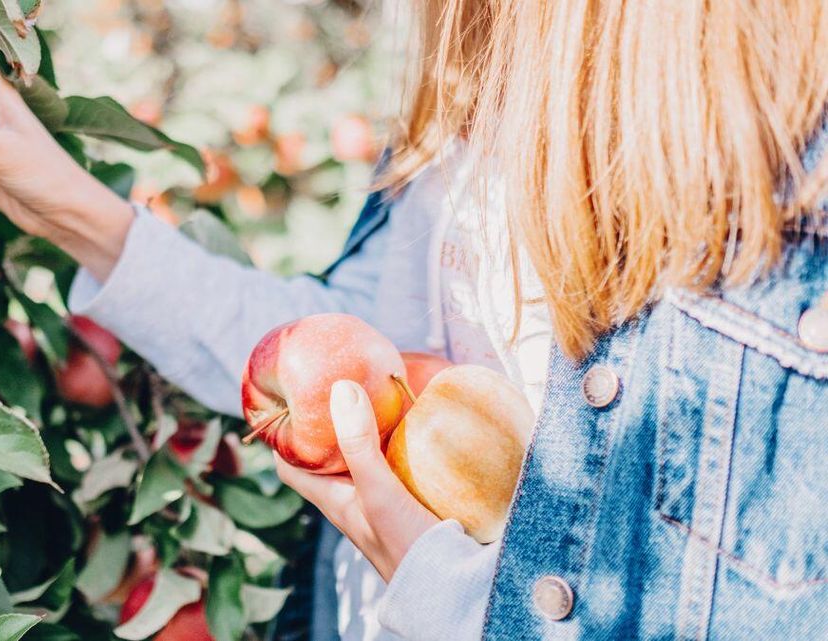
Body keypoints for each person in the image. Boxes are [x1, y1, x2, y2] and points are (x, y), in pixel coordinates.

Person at [0, 6, 550, 640]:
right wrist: (64, 202)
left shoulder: (637, 149)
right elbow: (349, 344)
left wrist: (439, 590)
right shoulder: (462, 84)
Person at [274, 2, 828, 640]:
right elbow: (366, 345)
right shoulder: (467, 64)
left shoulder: (750, 146)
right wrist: (128, 250)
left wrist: (441, 594)